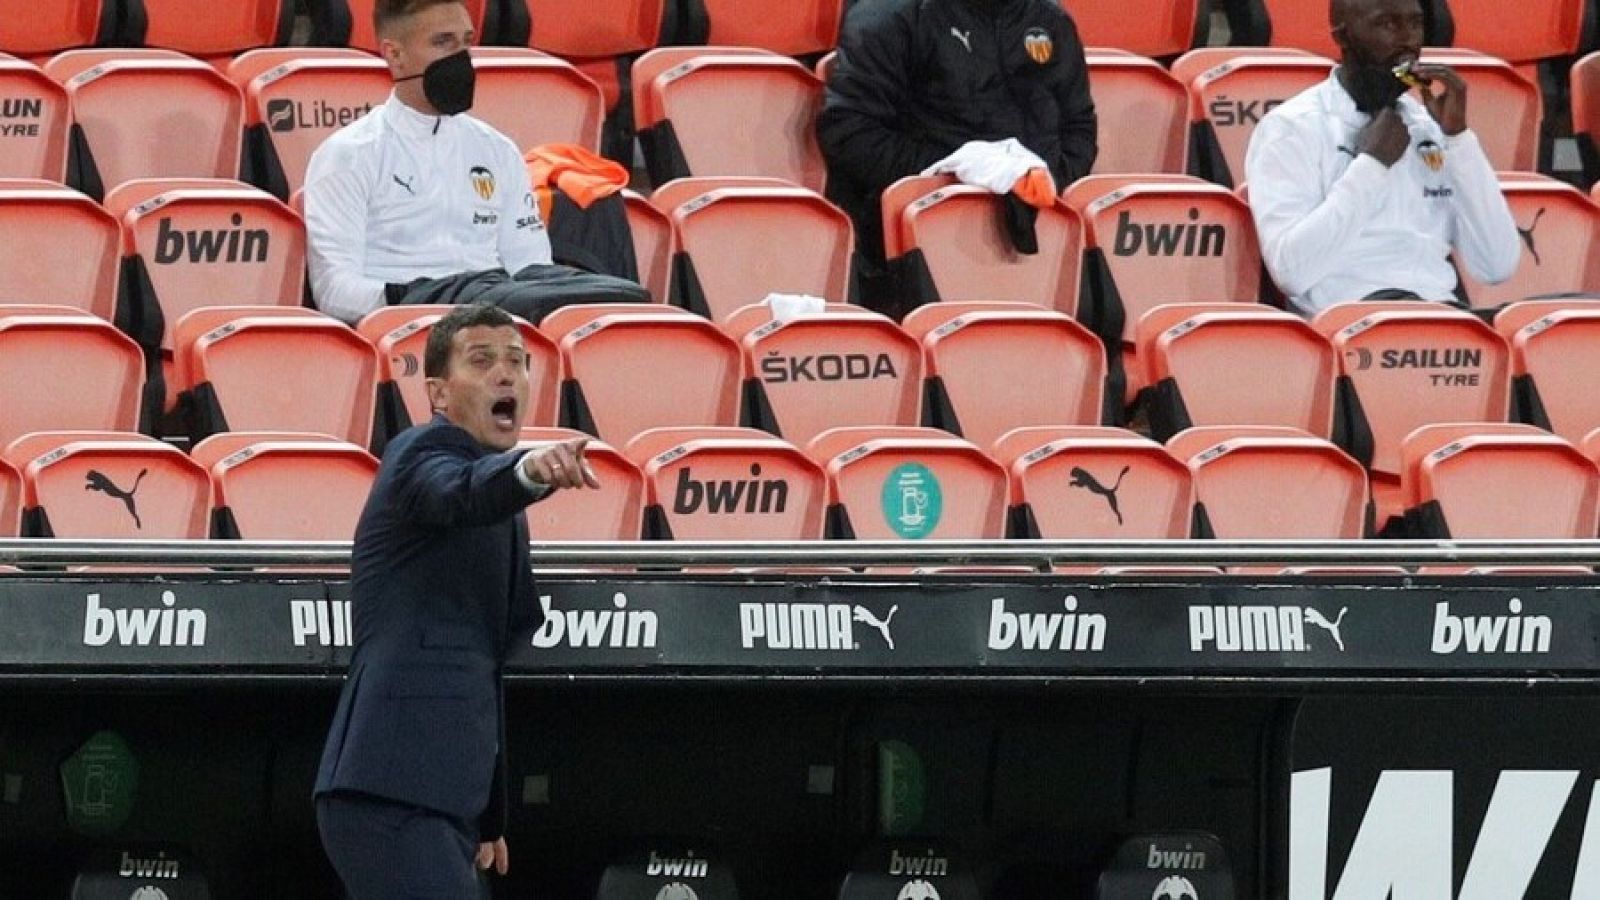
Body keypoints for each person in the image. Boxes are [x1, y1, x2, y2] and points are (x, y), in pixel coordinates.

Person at [314, 303, 598, 897]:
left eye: (518, 363)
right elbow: (461, 491)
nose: (506, 375)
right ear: (438, 394)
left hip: (439, 803)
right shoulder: (419, 453)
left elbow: (483, 662)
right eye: (483, 360)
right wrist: (527, 472)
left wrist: (485, 814)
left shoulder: (502, 507)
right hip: (389, 791)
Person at [302, 0, 647, 326]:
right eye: (443, 43)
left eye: (466, 43)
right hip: (413, 313)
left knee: (623, 300)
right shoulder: (349, 154)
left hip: (498, 311)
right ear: (395, 54)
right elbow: (334, 290)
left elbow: (530, 267)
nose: (461, 58)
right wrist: (418, 299)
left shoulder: (496, 149)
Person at [816, 0, 1098, 314]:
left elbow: (1079, 125)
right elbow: (848, 131)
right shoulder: (889, 16)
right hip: (912, 254)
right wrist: (953, 177)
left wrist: (1042, 186)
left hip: (1042, 246)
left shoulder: (1049, 19)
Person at [1243, 0, 1521, 318]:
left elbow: (1497, 265)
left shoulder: (1429, 126)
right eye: (1387, 24)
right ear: (1343, 36)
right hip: (1351, 324)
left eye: (1415, 24)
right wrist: (1371, 166)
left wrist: (1459, 140)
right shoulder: (1292, 127)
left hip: (1442, 317)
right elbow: (1291, 272)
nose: (1408, 40)